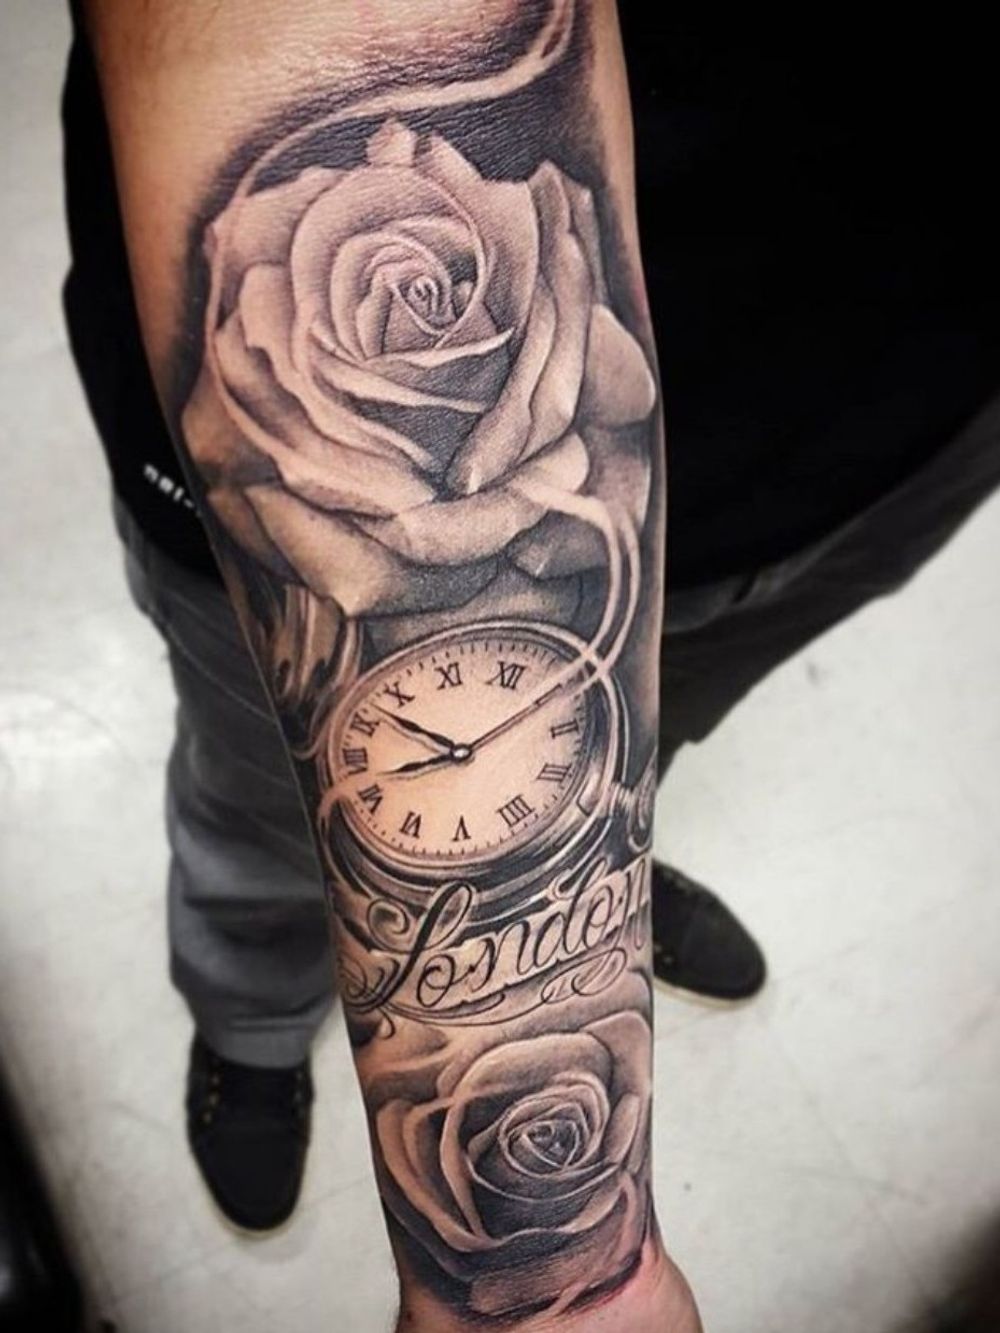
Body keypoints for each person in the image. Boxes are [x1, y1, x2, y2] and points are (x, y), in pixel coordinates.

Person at [62, 3, 1000, 1330]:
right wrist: (561, 1291)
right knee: (273, 828)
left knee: (631, 754)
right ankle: (252, 1025)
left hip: (891, 423)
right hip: (308, 562)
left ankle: (599, 897)